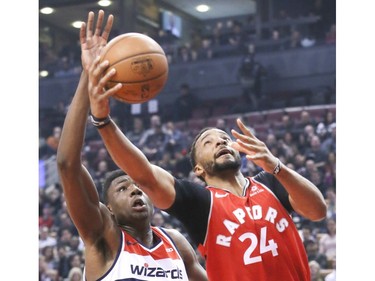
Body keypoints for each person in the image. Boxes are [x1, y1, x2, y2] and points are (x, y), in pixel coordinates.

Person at [85, 13, 327, 281]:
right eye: (208, 142)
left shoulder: (271, 183)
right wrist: (103, 121)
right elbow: (145, 175)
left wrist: (277, 167)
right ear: (198, 168)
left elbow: (317, 211)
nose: (220, 141)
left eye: (223, 137)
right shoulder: (200, 203)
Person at [56, 10, 207, 281]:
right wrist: (88, 76)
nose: (135, 190)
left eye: (137, 186)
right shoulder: (104, 236)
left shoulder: (176, 244)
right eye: (123, 189)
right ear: (109, 207)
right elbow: (68, 165)